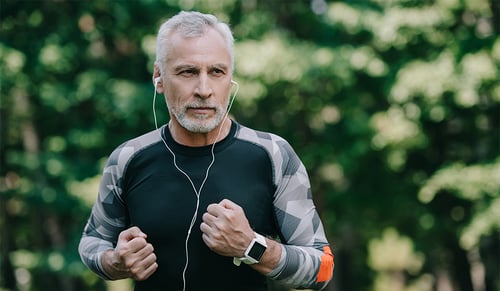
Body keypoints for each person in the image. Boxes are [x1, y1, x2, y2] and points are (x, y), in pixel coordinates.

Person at [79, 11, 334, 291]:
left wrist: (251, 246)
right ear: (159, 78)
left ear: (230, 78)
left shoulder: (273, 155)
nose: (204, 89)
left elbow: (322, 269)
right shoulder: (127, 158)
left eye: (216, 72)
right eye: (188, 72)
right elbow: (92, 243)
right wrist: (115, 261)